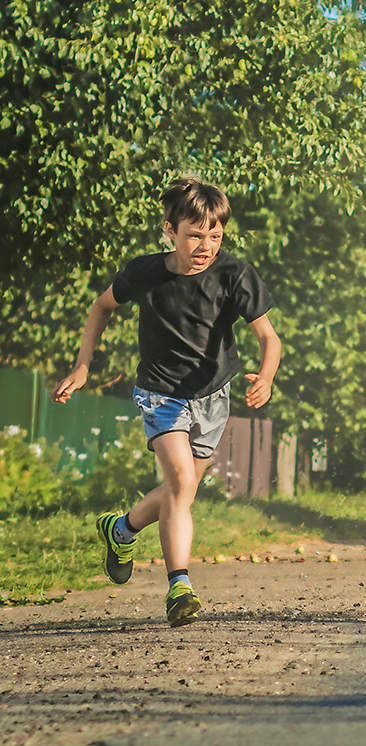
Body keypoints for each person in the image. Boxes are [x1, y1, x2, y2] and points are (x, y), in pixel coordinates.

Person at [54, 177, 280, 628]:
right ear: (170, 230)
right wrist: (82, 367)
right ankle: (180, 586)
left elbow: (269, 338)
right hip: (160, 392)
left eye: (215, 235)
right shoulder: (144, 273)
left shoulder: (235, 274)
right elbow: (100, 308)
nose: (206, 245)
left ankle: (121, 529)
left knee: (184, 491)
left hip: (214, 396)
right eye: (195, 234)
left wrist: (267, 376)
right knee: (179, 481)